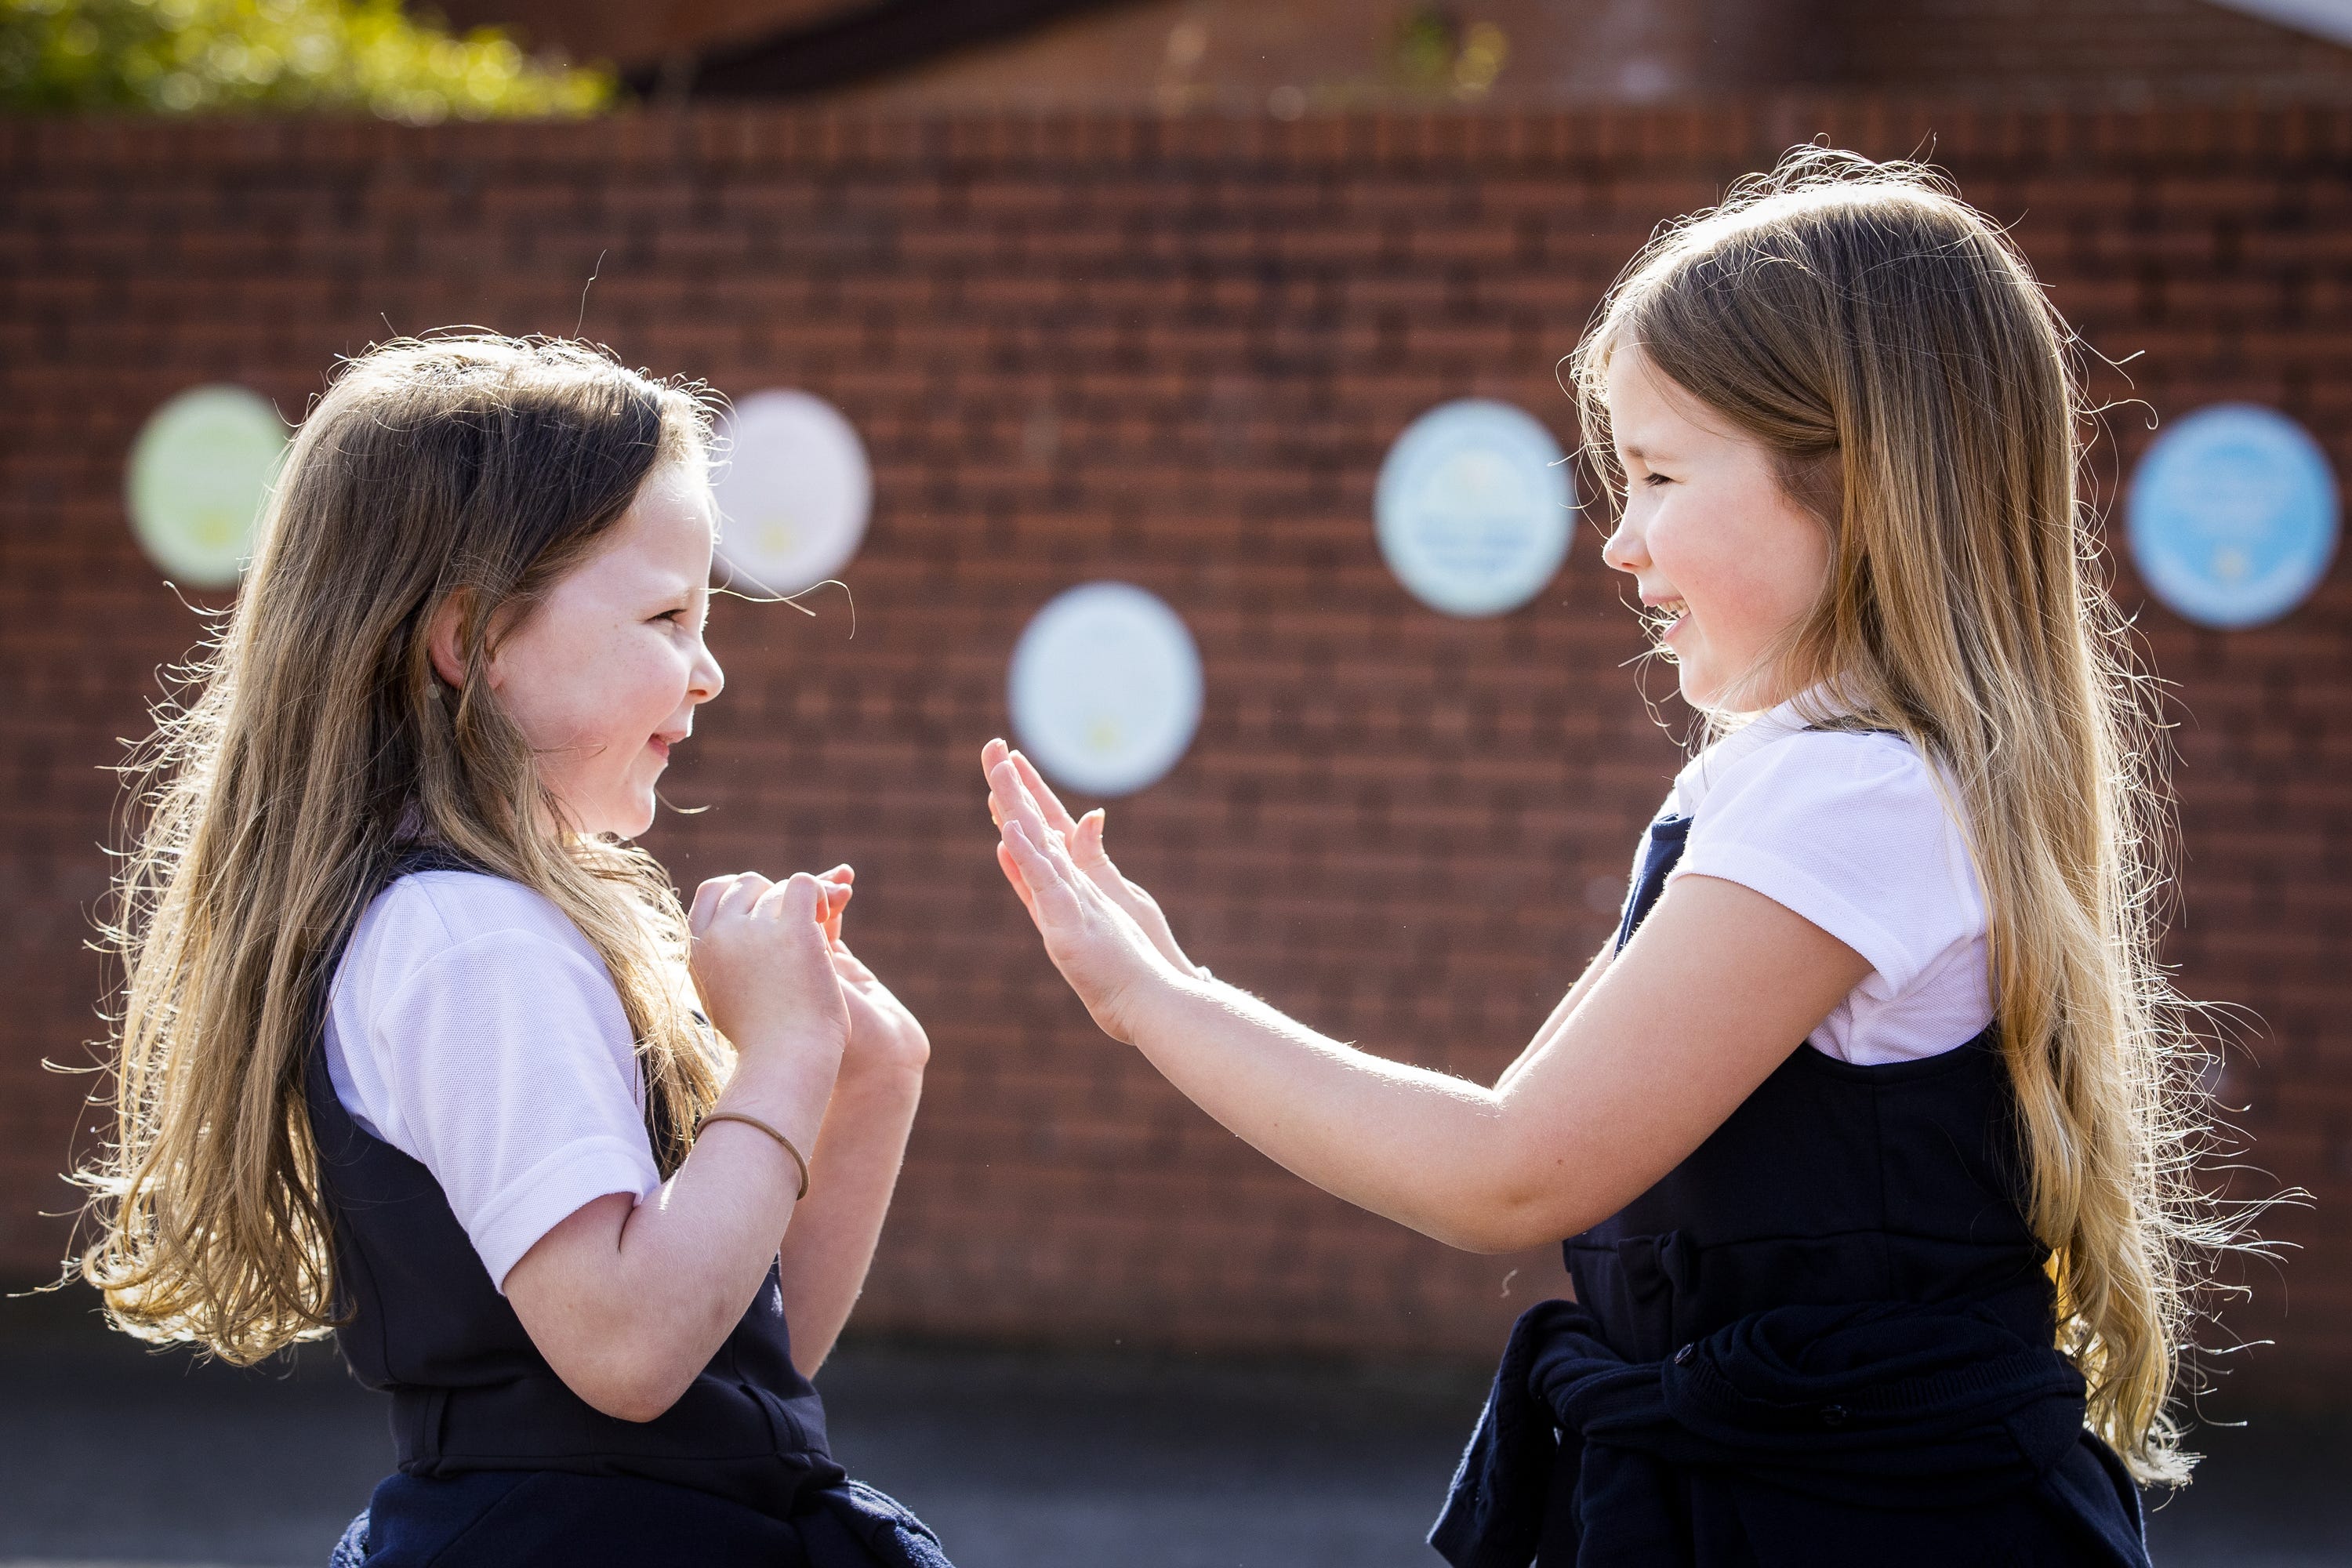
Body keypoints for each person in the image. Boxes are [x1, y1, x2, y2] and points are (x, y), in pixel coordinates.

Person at [981, 149, 2224, 1566]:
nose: (1620, 541)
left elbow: (1508, 1170)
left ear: (1855, 480)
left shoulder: (1851, 799)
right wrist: (1174, 977)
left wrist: (1153, 998)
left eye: (1656, 472)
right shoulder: (1784, 776)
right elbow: (1529, 1116)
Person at [79, 336, 951, 1567]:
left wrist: (865, 1078)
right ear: (474, 641)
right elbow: (633, 1351)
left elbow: (730, 1362)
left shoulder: (494, 926)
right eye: (666, 615)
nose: (708, 671)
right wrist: (783, 1058)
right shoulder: (467, 942)